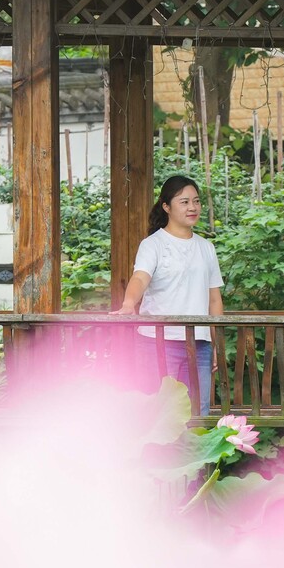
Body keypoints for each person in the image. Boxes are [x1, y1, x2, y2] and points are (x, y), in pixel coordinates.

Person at [112, 175, 224, 414]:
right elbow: (140, 277)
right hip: (157, 342)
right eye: (184, 202)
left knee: (198, 413)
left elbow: (214, 299)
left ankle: (194, 454)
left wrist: (216, 343)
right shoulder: (153, 244)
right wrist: (129, 302)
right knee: (158, 413)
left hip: (199, 344)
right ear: (166, 206)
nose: (192, 207)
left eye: (196, 201)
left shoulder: (207, 248)